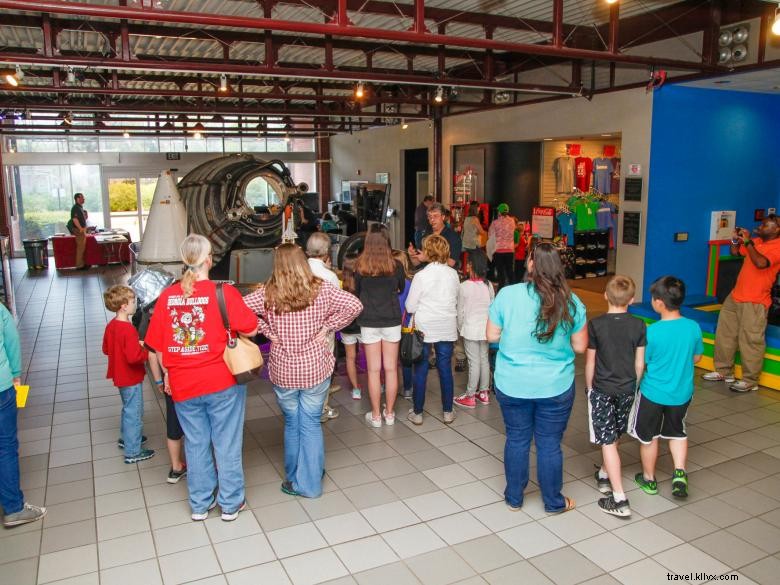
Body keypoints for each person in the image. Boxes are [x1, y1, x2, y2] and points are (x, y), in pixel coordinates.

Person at [145, 234, 259, 522]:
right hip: (222, 382)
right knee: (227, 443)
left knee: (195, 444)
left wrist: (167, 375)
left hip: (184, 385)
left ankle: (200, 503)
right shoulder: (224, 293)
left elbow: (157, 345)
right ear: (209, 260)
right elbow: (252, 328)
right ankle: (231, 504)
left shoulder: (168, 297)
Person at [244, 244, 362, 498]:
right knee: (310, 423)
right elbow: (354, 305)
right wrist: (329, 327)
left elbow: (237, 310)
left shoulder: (267, 292)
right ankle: (311, 477)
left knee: (292, 422)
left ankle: (296, 476)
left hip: (284, 369)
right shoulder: (320, 288)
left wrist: (267, 331)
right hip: (315, 368)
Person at [486, 242, 587, 513]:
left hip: (512, 383)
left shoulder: (507, 295)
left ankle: (514, 498)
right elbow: (580, 346)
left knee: (517, 439)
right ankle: (553, 501)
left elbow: (491, 336)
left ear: (531, 264)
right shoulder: (572, 301)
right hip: (555, 385)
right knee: (549, 443)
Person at [630, 276, 702, 500]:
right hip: (681, 393)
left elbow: (643, 363)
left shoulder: (653, 332)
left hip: (653, 393)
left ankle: (649, 479)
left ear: (659, 302)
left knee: (649, 437)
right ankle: (679, 473)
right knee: (677, 432)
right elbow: (697, 357)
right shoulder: (692, 327)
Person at [585, 275, 646, 517]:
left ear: (605, 296)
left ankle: (619, 499)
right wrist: (634, 385)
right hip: (627, 388)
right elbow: (639, 363)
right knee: (615, 433)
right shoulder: (639, 325)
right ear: (631, 299)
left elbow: (590, 361)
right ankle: (603, 474)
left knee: (607, 439)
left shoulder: (597, 325)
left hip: (602, 389)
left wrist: (590, 388)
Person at [703, 216, 780, 392]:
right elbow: (735, 252)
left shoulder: (777, 247)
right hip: (735, 296)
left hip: (756, 301)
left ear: (777, 230)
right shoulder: (757, 241)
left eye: (765, 225)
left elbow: (761, 263)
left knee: (751, 340)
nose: (760, 227)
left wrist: (748, 242)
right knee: (725, 335)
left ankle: (750, 380)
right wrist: (735, 239)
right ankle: (723, 371)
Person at [405, 235, 460, 425]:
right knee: (445, 368)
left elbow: (410, 306)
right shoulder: (453, 274)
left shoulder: (421, 276)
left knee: (420, 369)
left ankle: (418, 413)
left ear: (428, 252)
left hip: (424, 328)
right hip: (446, 325)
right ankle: (447, 411)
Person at [0, 303, 46, 528]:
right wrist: (16, 374)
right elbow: (11, 341)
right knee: (5, 447)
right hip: (1, 387)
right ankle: (13, 509)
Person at [355, 228, 406, 427]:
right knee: (391, 369)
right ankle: (390, 413)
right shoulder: (396, 265)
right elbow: (400, 288)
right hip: (391, 319)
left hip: (368, 320)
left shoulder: (361, 266)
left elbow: (358, 290)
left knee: (373, 371)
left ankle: (376, 416)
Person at [102, 285, 155, 464]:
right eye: (133, 301)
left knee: (128, 408)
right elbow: (134, 358)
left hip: (119, 375)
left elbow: (105, 349)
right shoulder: (128, 329)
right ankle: (133, 451)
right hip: (131, 377)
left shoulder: (112, 326)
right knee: (135, 412)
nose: (135, 304)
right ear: (123, 306)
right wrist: (145, 351)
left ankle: (127, 438)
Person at [306, 232, 341, 421]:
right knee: (324, 367)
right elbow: (339, 304)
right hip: (323, 329)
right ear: (327, 252)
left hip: (300, 328)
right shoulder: (329, 276)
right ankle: (322, 407)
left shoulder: (299, 270)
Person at [454, 249, 494, 409]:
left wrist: (460, 328)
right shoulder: (488, 285)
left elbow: (460, 312)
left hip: (470, 329)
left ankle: (470, 395)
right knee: (484, 360)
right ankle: (484, 393)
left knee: (474, 362)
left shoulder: (463, 286)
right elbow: (493, 307)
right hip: (485, 329)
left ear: (470, 265)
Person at [148, 351, 187, 483]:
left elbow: (152, 354)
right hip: (196, 377)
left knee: (173, 422)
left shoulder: (155, 329)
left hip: (171, 379)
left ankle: (176, 468)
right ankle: (204, 466)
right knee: (199, 427)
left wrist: (159, 380)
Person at [408, 203, 462, 270]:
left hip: (445, 277)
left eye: (435, 216)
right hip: (427, 275)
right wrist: (412, 256)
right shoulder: (426, 235)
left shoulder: (453, 236)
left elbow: (451, 263)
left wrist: (428, 258)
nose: (432, 220)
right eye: (430, 217)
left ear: (443, 217)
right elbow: (417, 264)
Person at [340, 253, 363, 400]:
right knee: (370, 357)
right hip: (363, 325)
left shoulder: (340, 283)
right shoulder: (363, 282)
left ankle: (356, 389)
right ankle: (379, 384)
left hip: (347, 326)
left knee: (350, 358)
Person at [392, 249, 414, 399]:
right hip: (405, 326)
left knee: (391, 359)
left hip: (392, 325)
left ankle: (391, 386)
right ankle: (407, 388)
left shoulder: (389, 282)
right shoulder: (409, 283)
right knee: (405, 359)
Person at [489, 203, 516, 289]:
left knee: (501, 273)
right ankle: (513, 289)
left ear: (499, 212)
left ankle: (501, 290)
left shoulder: (495, 223)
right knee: (510, 271)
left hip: (498, 251)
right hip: (510, 250)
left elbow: (490, 235)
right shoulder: (512, 221)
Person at [67, 192, 88, 270]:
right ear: (77, 199)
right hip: (79, 230)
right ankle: (79, 265)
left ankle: (82, 263)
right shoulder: (75, 208)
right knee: (80, 248)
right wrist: (80, 228)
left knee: (82, 247)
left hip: (81, 230)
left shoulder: (80, 207)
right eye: (82, 198)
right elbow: (75, 219)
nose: (84, 199)